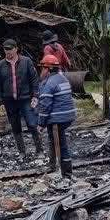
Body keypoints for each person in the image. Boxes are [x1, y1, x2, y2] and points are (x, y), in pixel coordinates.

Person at [33, 51, 76, 184]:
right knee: (56, 141)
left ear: (48, 69)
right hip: (68, 115)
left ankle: (65, 173)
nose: (41, 71)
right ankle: (56, 167)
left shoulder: (49, 83)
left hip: (58, 119)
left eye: (43, 68)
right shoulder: (63, 79)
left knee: (60, 145)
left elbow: (45, 107)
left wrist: (41, 124)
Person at [0, 38, 39, 157]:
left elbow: (34, 79)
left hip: (25, 98)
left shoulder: (26, 61)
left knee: (32, 124)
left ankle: (39, 149)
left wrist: (35, 95)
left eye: (10, 49)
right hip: (9, 101)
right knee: (15, 126)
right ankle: (22, 151)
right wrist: (0, 101)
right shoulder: (0, 65)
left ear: (16, 49)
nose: (8, 52)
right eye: (5, 49)